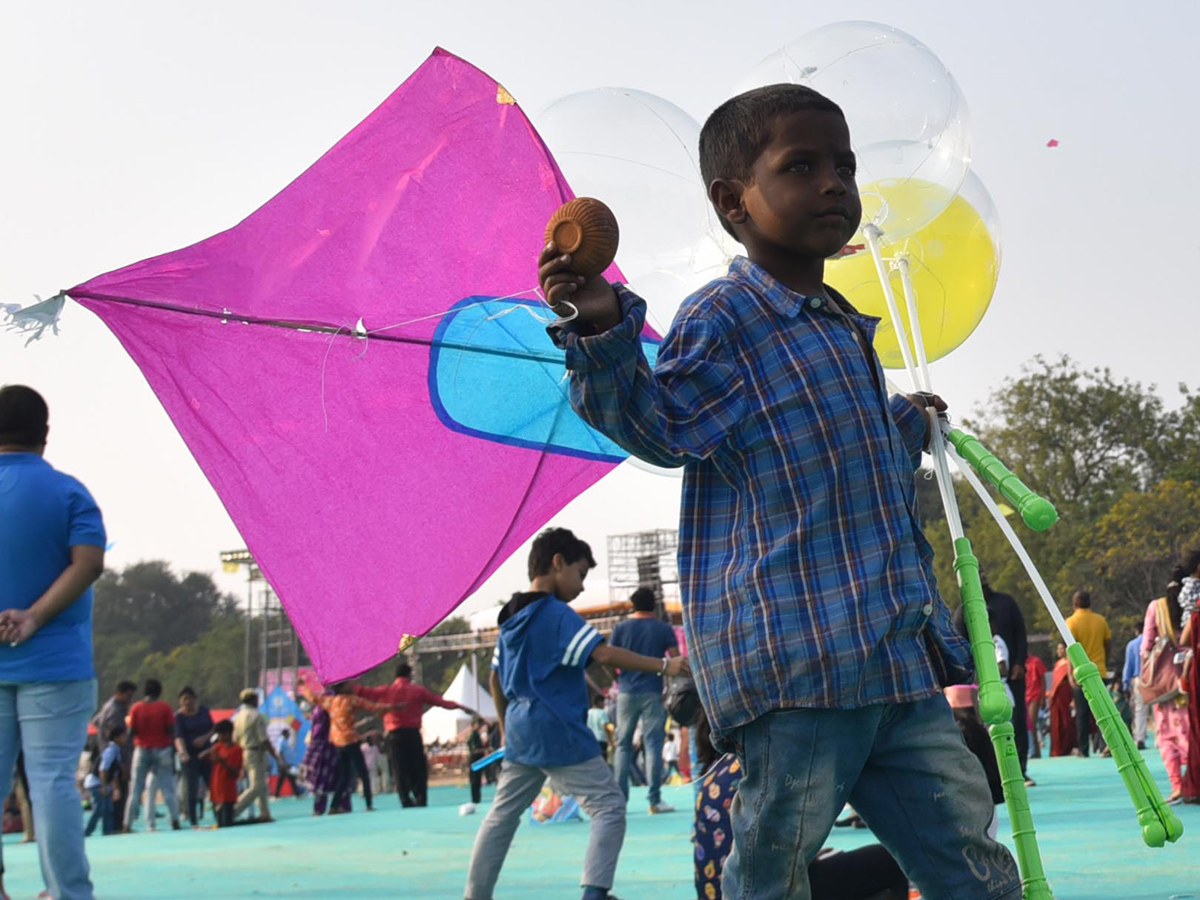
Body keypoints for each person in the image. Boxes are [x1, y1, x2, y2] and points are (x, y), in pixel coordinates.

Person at [538, 85, 1019, 900]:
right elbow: (662, 425)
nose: (834, 183)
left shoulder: (840, 321)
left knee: (969, 857)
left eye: (845, 165)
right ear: (734, 202)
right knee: (772, 866)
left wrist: (900, 422)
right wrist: (601, 333)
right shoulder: (725, 317)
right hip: (798, 671)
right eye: (801, 166)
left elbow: (839, 451)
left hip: (892, 660)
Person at [464, 528, 690, 900]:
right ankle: (595, 892)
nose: (582, 587)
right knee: (608, 806)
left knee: (501, 817)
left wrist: (506, 729)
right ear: (558, 563)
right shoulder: (555, 614)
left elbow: (493, 679)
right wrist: (666, 666)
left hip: (520, 734)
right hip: (560, 730)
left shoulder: (509, 618)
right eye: (580, 574)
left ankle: (475, 895)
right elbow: (602, 654)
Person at [0, 385, 106, 900]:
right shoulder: (69, 493)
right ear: (44, 434)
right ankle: (68, 893)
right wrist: (34, 618)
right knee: (51, 786)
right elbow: (88, 564)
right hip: (56, 665)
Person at [690, 711, 910, 900]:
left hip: (717, 890)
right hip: (756, 887)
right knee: (888, 863)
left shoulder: (716, 773)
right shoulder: (765, 764)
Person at [353, 661, 475, 808]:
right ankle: (421, 798)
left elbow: (364, 691)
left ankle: (405, 799)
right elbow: (440, 702)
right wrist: (461, 707)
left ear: (396, 675)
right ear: (409, 674)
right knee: (417, 767)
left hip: (394, 735)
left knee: (399, 769)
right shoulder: (417, 691)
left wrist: (344, 682)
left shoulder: (386, 691)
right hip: (412, 734)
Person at [952, 571, 1032, 785]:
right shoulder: (963, 612)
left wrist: (1018, 663)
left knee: (1015, 724)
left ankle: (1019, 770)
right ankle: (990, 774)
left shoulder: (1006, 603)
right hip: (978, 684)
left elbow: (1020, 634)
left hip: (1009, 678)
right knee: (983, 729)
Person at [610, 586, 680, 814]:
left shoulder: (621, 628)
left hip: (626, 692)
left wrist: (618, 680)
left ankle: (620, 801)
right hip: (653, 691)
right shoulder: (662, 628)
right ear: (654, 606)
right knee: (653, 745)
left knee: (623, 746)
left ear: (633, 605)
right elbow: (676, 658)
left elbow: (610, 658)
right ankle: (654, 800)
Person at [300, 681, 393, 813]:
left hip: (338, 743)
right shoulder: (351, 700)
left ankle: (333, 806)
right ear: (342, 687)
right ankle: (368, 804)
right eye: (348, 684)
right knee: (362, 773)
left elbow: (312, 697)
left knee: (343, 776)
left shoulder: (330, 701)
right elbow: (371, 706)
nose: (352, 686)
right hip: (351, 741)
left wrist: (302, 686)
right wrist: (391, 707)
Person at [1142, 573, 1191, 803]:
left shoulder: (1156, 608)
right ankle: (1193, 781)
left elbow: (1146, 647)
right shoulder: (1193, 605)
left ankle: (1177, 785)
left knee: (1166, 736)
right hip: (1189, 678)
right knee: (1190, 732)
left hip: (1164, 686)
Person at [122, 678, 180, 832]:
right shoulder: (164, 708)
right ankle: (175, 820)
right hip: (162, 749)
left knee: (135, 789)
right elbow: (170, 730)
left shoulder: (136, 708)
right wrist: (173, 750)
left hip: (142, 749)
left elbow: (132, 732)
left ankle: (127, 824)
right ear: (159, 692)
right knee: (168, 789)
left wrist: (127, 754)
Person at [1064, 590, 1111, 756]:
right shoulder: (1101, 620)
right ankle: (1107, 745)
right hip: (1099, 671)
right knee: (1103, 711)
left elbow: (1070, 649)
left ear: (1074, 604)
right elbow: (1107, 644)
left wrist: (1070, 673)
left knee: (1082, 714)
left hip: (1080, 674)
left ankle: (1083, 749)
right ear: (1090, 603)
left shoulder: (1070, 622)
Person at [232, 688, 283, 823]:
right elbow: (264, 739)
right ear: (254, 699)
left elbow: (235, 739)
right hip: (256, 752)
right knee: (256, 787)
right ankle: (234, 811)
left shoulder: (238, 716)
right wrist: (276, 756)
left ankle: (265, 813)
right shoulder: (256, 715)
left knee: (262, 785)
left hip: (245, 752)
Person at [91, 680, 136, 826]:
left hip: (105, 751)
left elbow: (95, 721)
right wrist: (124, 762)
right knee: (120, 791)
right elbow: (118, 736)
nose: (130, 699)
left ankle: (113, 823)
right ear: (119, 693)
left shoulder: (107, 706)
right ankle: (117, 823)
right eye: (128, 695)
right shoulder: (115, 711)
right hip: (115, 756)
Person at [299, 700, 349, 816]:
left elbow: (317, 732)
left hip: (325, 747)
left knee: (323, 778)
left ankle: (319, 808)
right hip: (335, 744)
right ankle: (342, 805)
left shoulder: (321, 708)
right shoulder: (334, 704)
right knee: (339, 775)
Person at [174, 686, 214, 826]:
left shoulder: (203, 711)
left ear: (195, 699)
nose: (187, 702)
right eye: (184, 699)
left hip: (206, 754)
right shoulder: (178, 717)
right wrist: (183, 752)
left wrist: (204, 738)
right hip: (190, 756)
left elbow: (212, 728)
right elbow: (178, 737)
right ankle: (193, 819)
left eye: (190, 698)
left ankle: (219, 812)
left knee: (212, 783)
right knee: (192, 787)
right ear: (180, 702)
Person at [84, 723, 126, 838]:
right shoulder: (110, 750)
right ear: (117, 738)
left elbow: (114, 773)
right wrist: (103, 787)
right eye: (123, 736)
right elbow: (103, 769)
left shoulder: (116, 750)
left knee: (108, 808)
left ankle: (107, 830)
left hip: (103, 783)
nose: (125, 738)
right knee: (99, 809)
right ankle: (87, 831)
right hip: (96, 783)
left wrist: (116, 788)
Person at [200, 720, 243, 828]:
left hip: (228, 792)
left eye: (222, 734)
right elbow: (201, 757)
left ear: (229, 733)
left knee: (227, 824)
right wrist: (209, 751)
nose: (220, 737)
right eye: (218, 734)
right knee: (220, 824)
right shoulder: (218, 747)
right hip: (216, 790)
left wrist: (221, 761)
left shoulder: (237, 749)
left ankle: (254, 821)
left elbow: (235, 772)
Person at [1121, 631, 1148, 750]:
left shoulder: (1132, 645)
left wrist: (1125, 683)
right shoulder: (1156, 640)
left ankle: (1140, 738)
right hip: (1154, 677)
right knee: (1157, 708)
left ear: (1137, 631)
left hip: (1139, 679)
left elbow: (1128, 665)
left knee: (1140, 710)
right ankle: (1160, 739)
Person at [1049, 643, 1076, 757]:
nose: (1059, 651)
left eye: (1061, 648)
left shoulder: (1070, 663)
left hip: (1066, 693)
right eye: (1058, 648)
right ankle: (1057, 749)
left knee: (1067, 721)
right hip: (1057, 695)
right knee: (1056, 723)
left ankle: (1068, 747)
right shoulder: (1057, 664)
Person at [1024, 653, 1048, 759]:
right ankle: (1036, 751)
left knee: (1031, 724)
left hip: (1035, 696)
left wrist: (1043, 697)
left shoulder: (1036, 661)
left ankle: (1034, 751)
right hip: (1024, 696)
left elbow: (1043, 679)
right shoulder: (1019, 663)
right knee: (1028, 725)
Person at [272, 728, 305, 798]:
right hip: (284, 764)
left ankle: (296, 793)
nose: (289, 735)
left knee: (291, 778)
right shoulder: (281, 741)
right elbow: (278, 753)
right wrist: (282, 762)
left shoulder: (285, 741)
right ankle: (276, 795)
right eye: (288, 733)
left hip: (287, 764)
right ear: (285, 734)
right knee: (282, 779)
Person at [586, 695, 611, 764]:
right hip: (601, 739)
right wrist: (609, 740)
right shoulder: (602, 713)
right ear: (599, 702)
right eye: (603, 703)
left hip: (591, 739)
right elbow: (605, 727)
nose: (604, 705)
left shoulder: (589, 712)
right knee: (603, 760)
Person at [467, 717, 487, 805]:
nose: (480, 726)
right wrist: (486, 749)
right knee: (475, 780)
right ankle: (475, 799)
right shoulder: (474, 735)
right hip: (475, 759)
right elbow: (475, 750)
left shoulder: (477, 734)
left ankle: (476, 799)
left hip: (477, 759)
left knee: (477, 780)